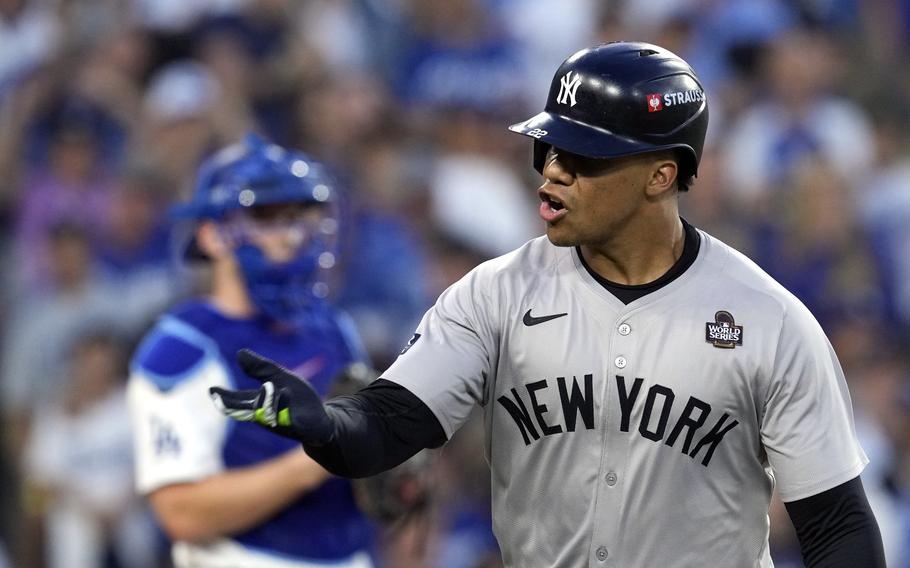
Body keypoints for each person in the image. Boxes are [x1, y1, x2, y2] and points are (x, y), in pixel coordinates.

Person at [210, 43, 885, 567]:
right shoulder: (494, 293)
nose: (553, 170)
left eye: (586, 156)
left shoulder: (768, 319)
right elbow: (389, 425)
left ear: (662, 175)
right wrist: (327, 426)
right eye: (550, 146)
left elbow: (837, 525)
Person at [127, 133, 374, 567]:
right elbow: (181, 513)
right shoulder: (180, 349)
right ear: (213, 235)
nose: (290, 237)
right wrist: (316, 460)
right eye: (266, 217)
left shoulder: (335, 328)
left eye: (298, 217)